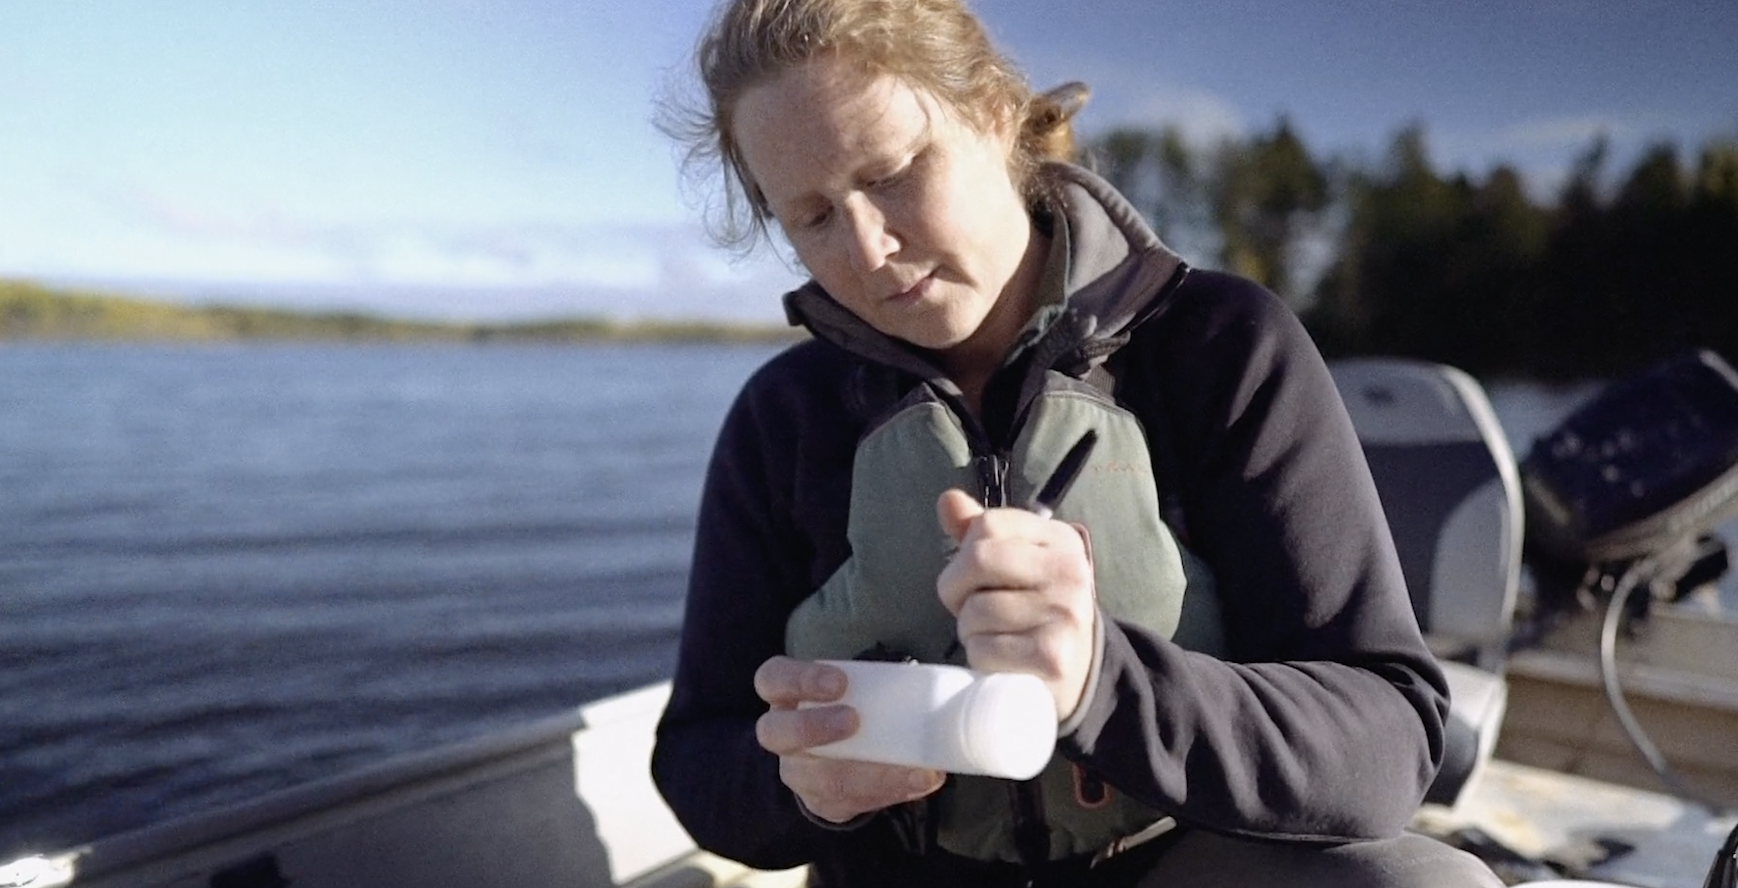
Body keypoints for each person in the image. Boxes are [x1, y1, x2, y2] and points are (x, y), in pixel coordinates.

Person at [650, 1, 1503, 885]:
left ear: (993, 117)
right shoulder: (785, 418)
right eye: (814, 217)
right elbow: (697, 763)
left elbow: (1389, 741)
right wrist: (801, 785)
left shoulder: (1221, 347)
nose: (868, 250)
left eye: (895, 173)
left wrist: (1103, 678)